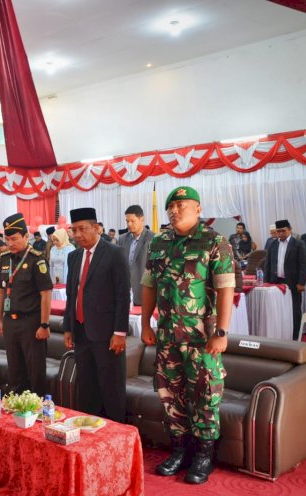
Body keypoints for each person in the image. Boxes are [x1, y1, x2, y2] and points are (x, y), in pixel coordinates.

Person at [141, 186, 235, 485]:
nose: (175, 210)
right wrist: (145, 323)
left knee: (205, 395)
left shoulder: (214, 242)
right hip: (168, 336)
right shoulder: (159, 242)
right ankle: (179, 450)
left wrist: (221, 331)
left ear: (198, 208)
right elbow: (149, 285)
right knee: (170, 395)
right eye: (172, 206)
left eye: (182, 204)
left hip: (202, 338)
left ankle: (204, 455)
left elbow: (225, 288)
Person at [61, 208, 130, 423]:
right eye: (74, 230)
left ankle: (116, 435)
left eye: (83, 229)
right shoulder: (73, 256)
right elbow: (71, 294)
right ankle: (91, 432)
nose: (78, 235)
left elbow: (122, 296)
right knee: (87, 387)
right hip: (81, 331)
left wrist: (119, 332)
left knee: (111, 388)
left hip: (107, 333)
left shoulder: (114, 253)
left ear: (97, 228)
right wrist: (68, 327)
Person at [0, 213, 53, 397]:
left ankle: (38, 407)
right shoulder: (4, 258)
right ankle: (17, 406)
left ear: (26, 236)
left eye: (14, 239)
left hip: (31, 322)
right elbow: (0, 291)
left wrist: (44, 324)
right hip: (10, 321)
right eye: (7, 239)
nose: (10, 243)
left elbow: (46, 294)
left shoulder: (37, 259)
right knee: (14, 368)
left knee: (35, 370)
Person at [263, 219, 306, 339]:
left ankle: (295, 336)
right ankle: (282, 334)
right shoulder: (273, 244)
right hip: (275, 282)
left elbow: (303, 264)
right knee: (278, 310)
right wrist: (266, 282)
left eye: (283, 231)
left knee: (294, 310)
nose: (280, 233)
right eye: (278, 231)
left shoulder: (298, 244)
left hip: (293, 283)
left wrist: (301, 282)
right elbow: (268, 263)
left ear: (290, 230)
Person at [118, 205, 155, 306]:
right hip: (125, 293)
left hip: (143, 292)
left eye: (132, 221)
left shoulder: (153, 239)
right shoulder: (122, 239)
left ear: (142, 220)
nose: (129, 224)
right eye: (127, 221)